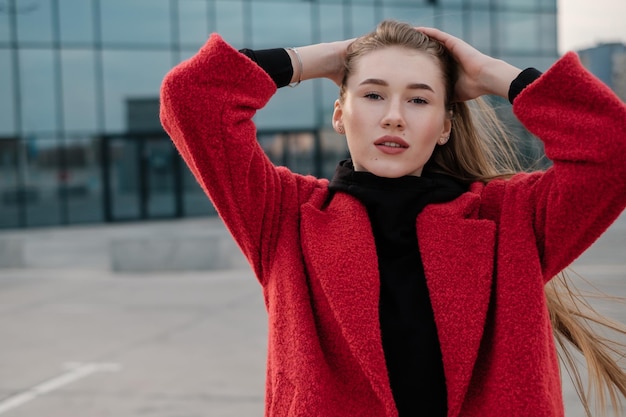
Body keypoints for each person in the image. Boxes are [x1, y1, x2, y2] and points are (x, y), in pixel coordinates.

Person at [160, 19, 626, 417]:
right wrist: (322, 60)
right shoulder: (284, 215)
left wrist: (491, 73)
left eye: (419, 100)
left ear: (446, 125)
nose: (394, 117)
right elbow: (193, 97)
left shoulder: (513, 219)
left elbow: (613, 149)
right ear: (340, 114)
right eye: (373, 96)